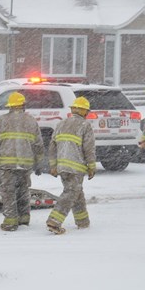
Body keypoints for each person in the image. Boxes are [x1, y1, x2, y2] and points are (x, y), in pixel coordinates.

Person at [0, 92, 45, 231]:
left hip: (6, 164)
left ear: (10, 106)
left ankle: (10, 222)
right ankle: (24, 218)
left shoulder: (2, 120)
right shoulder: (31, 121)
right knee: (23, 191)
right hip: (25, 164)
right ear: (23, 105)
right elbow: (38, 144)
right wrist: (39, 163)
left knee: (8, 193)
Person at [46, 97, 96, 234]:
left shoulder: (61, 124)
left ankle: (83, 222)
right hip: (76, 167)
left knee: (76, 193)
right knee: (71, 192)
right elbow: (89, 148)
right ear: (84, 111)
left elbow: (52, 146)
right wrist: (92, 166)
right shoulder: (85, 125)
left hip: (62, 167)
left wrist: (53, 165)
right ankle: (54, 221)